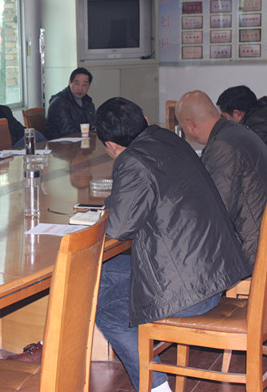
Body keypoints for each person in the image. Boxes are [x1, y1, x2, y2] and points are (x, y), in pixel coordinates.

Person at [94, 97, 250, 392]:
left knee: (110, 315)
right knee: (100, 273)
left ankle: (157, 388)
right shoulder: (167, 138)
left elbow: (119, 228)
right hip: (213, 269)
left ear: (111, 145)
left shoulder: (132, 160)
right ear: (145, 120)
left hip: (191, 289)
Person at [176, 90, 267, 266]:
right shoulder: (237, 131)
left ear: (190, 125)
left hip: (252, 251)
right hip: (258, 237)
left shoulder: (222, 147)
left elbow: (216, 211)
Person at [46, 67, 96, 139]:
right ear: (70, 83)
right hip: (60, 143)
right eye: (77, 84)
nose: (80, 88)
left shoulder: (87, 102)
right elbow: (68, 131)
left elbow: (93, 126)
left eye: (84, 85)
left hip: (81, 142)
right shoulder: (59, 102)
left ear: (89, 86)